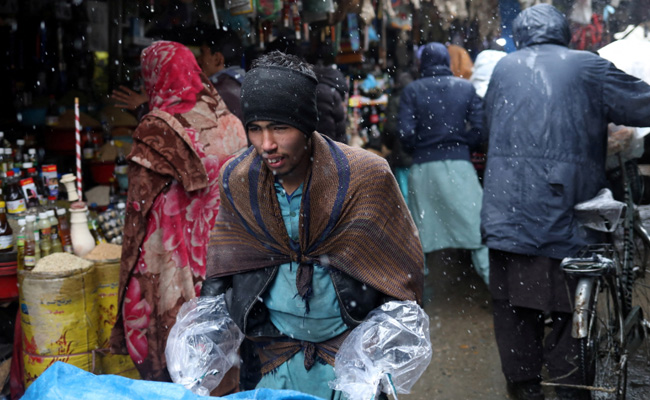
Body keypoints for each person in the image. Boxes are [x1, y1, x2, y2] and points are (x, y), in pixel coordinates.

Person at [202, 50, 425, 399]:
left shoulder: (364, 177)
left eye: (280, 127)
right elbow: (227, 261)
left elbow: (399, 274)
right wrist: (204, 329)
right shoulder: (239, 177)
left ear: (307, 126)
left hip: (349, 364)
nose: (266, 144)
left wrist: (381, 351)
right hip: (272, 360)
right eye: (255, 129)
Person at [481, 5, 650, 400]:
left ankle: (524, 387)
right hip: (563, 209)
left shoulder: (504, 68)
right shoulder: (588, 66)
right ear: (564, 32)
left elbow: (488, 127)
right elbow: (641, 104)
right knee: (567, 309)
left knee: (513, 306)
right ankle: (571, 389)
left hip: (505, 210)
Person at [108, 41, 248, 381]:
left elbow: (137, 218)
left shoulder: (157, 130)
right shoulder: (232, 122)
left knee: (178, 355)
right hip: (227, 255)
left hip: (177, 257)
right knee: (224, 355)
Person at [398, 42, 489, 284]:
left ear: (421, 63)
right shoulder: (465, 88)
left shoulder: (412, 91)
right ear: (446, 62)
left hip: (423, 169)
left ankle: (415, 295)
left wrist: (423, 145)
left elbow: (405, 135)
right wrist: (460, 143)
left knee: (420, 237)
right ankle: (496, 290)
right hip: (460, 169)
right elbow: (480, 130)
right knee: (476, 231)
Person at [196, 29, 246, 122]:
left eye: (202, 53)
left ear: (217, 59)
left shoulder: (219, 92)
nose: (198, 60)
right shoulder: (244, 83)